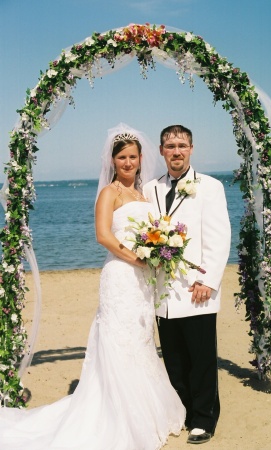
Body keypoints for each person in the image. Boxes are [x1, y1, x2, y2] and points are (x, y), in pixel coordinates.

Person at [0, 123, 185, 450]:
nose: (128, 163)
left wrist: (157, 252)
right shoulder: (109, 193)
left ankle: (144, 411)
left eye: (132, 157)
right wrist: (137, 259)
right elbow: (103, 235)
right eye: (122, 158)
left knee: (141, 341)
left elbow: (153, 233)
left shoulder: (142, 195)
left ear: (141, 158)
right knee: (118, 341)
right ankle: (118, 418)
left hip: (143, 281)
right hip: (121, 276)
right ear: (112, 161)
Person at [143, 125, 231, 445]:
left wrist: (208, 280)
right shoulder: (150, 188)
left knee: (201, 358)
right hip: (163, 292)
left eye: (181, 145)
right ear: (161, 151)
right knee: (175, 359)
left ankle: (204, 419)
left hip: (196, 289)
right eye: (170, 146)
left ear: (192, 148)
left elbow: (219, 238)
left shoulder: (209, 187)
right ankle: (182, 411)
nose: (176, 151)